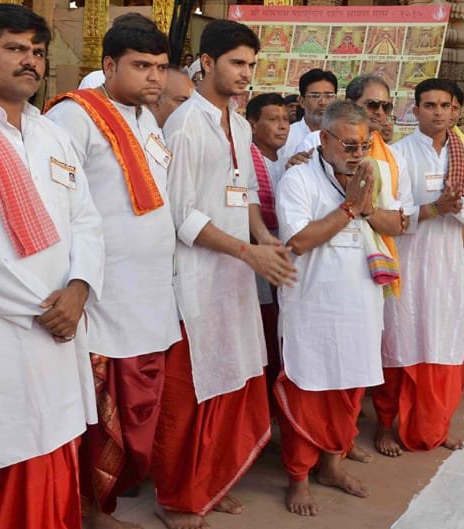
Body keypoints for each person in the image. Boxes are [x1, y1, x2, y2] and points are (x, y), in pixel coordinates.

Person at [0, 5, 104, 528]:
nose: (30, 62)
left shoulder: (51, 135)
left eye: (37, 52)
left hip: (59, 332)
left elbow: (87, 220)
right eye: (15, 49)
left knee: (50, 448)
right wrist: (39, 309)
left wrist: (79, 289)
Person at [155, 19, 297, 529]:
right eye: (237, 63)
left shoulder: (239, 125)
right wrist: (246, 250)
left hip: (235, 276)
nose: (246, 75)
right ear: (207, 63)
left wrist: (265, 240)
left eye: (252, 66)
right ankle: (176, 498)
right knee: (194, 392)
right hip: (195, 279)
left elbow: (247, 197)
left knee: (233, 380)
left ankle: (213, 481)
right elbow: (182, 214)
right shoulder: (185, 124)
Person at [45, 14, 181, 529]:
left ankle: (103, 505)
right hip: (101, 299)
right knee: (98, 416)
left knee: (138, 409)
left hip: (148, 298)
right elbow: (61, 212)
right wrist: (75, 286)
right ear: (108, 65)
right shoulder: (73, 119)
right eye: (141, 66)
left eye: (161, 67)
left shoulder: (149, 120)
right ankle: (87, 511)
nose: (154, 78)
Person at [275, 100, 397, 516]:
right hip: (313, 308)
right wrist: (350, 206)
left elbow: (397, 223)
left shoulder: (369, 175)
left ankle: (332, 465)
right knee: (309, 391)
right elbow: (299, 241)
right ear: (323, 139)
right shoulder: (298, 180)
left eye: (363, 146)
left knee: (348, 391)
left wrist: (367, 206)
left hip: (360, 304)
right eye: (348, 145)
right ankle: (298, 478)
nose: (357, 154)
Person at [375, 78, 464, 457]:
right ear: (415, 110)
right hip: (408, 260)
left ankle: (436, 426)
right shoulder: (399, 154)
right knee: (400, 339)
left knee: (442, 342)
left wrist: (456, 209)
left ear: (455, 110)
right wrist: (435, 208)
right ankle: (385, 426)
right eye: (430, 105)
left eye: (445, 105)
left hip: (447, 265)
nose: (438, 112)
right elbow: (392, 212)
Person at [246, 93, 289, 405]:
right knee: (263, 326)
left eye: (286, 119)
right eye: (273, 119)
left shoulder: (291, 162)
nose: (282, 126)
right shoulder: (246, 160)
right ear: (252, 124)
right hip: (255, 253)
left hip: (284, 250)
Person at [279, 68, 338, 165]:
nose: (322, 102)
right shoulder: (286, 136)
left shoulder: (342, 136)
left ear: (335, 100)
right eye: (315, 96)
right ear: (301, 101)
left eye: (328, 96)